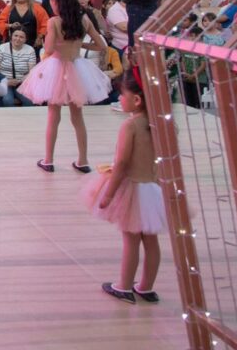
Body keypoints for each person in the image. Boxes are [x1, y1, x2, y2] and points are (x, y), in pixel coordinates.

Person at [82, 74, 166, 304]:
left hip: (133, 189)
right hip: (153, 188)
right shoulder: (161, 123)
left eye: (122, 95)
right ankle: (147, 287)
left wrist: (108, 194)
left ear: (137, 100)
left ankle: (124, 286)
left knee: (131, 240)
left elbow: (121, 164)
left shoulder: (131, 125)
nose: (119, 98)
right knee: (151, 241)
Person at [20, 0, 112, 173]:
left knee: (53, 116)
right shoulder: (84, 19)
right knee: (78, 118)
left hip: (57, 68)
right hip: (78, 68)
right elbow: (101, 45)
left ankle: (48, 160)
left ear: (55, 1)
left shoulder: (54, 22)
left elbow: (50, 49)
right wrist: (80, 45)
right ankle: (83, 160)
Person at [0, 27, 37, 106]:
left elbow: (32, 71)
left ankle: (26, 118)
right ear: (11, 36)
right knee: (7, 100)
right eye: (15, 36)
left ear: (25, 39)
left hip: (22, 82)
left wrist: (20, 81)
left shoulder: (30, 50)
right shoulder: (2, 48)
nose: (18, 39)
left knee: (29, 100)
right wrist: (5, 82)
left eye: (21, 37)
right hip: (5, 82)